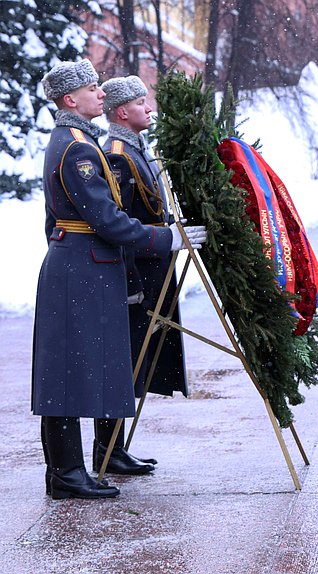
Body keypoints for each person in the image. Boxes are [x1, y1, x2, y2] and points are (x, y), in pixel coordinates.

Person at [32, 59, 206, 500]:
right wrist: (165, 239)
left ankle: (69, 471)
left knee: (75, 369)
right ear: (71, 99)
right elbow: (107, 219)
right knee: (69, 372)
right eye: (94, 88)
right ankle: (67, 474)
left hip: (80, 263)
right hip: (81, 266)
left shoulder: (76, 142)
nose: (102, 94)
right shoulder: (78, 149)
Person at [98, 75, 189, 475]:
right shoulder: (117, 154)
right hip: (137, 272)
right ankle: (107, 451)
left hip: (151, 268)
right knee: (125, 362)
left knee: (136, 359)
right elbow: (121, 224)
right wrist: (132, 283)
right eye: (141, 103)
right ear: (122, 112)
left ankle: (114, 448)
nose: (149, 109)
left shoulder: (136, 148)